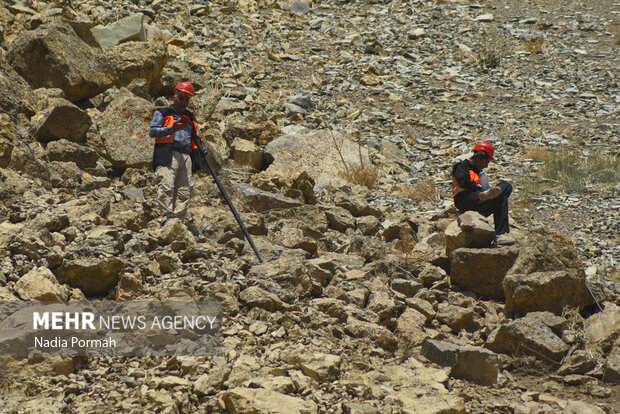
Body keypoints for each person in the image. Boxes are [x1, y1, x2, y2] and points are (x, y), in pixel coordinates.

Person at [150, 82, 205, 222]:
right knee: (167, 185)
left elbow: (194, 137)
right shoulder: (162, 113)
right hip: (168, 153)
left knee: (184, 191)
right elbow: (153, 132)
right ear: (174, 97)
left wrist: (200, 150)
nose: (183, 102)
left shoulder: (190, 118)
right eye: (181, 98)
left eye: (187, 100)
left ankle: (178, 221)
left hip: (186, 156)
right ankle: (167, 217)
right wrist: (172, 128)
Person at [451, 141, 514, 245]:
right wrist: (479, 188)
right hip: (466, 200)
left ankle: (501, 235)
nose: (486, 166)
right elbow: (464, 182)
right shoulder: (461, 167)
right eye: (486, 162)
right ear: (479, 157)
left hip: (480, 203)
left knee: (505, 188)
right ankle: (485, 195)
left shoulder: (481, 175)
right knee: (492, 195)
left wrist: (488, 192)